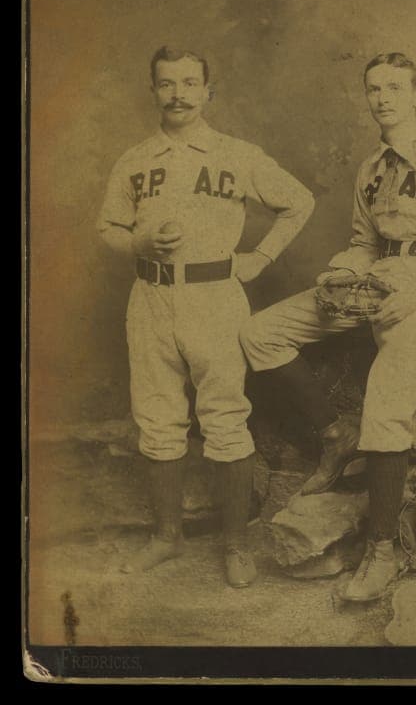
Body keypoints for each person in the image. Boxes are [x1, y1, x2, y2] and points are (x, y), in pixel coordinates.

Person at [239, 52, 416, 601]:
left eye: (395, 88)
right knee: (261, 333)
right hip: (378, 276)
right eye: (374, 89)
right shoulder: (371, 167)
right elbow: (364, 242)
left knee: (385, 403)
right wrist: (340, 274)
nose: (383, 98)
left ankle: (382, 550)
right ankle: (335, 434)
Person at [97, 46, 314, 587]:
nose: (179, 94)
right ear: (153, 91)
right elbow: (109, 228)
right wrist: (140, 242)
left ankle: (236, 544)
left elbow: (299, 201)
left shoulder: (236, 154)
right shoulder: (134, 159)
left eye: (190, 83)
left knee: (224, 416)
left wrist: (261, 257)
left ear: (208, 92)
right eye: (167, 84)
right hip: (150, 296)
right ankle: (166, 537)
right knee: (156, 416)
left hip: (214, 295)